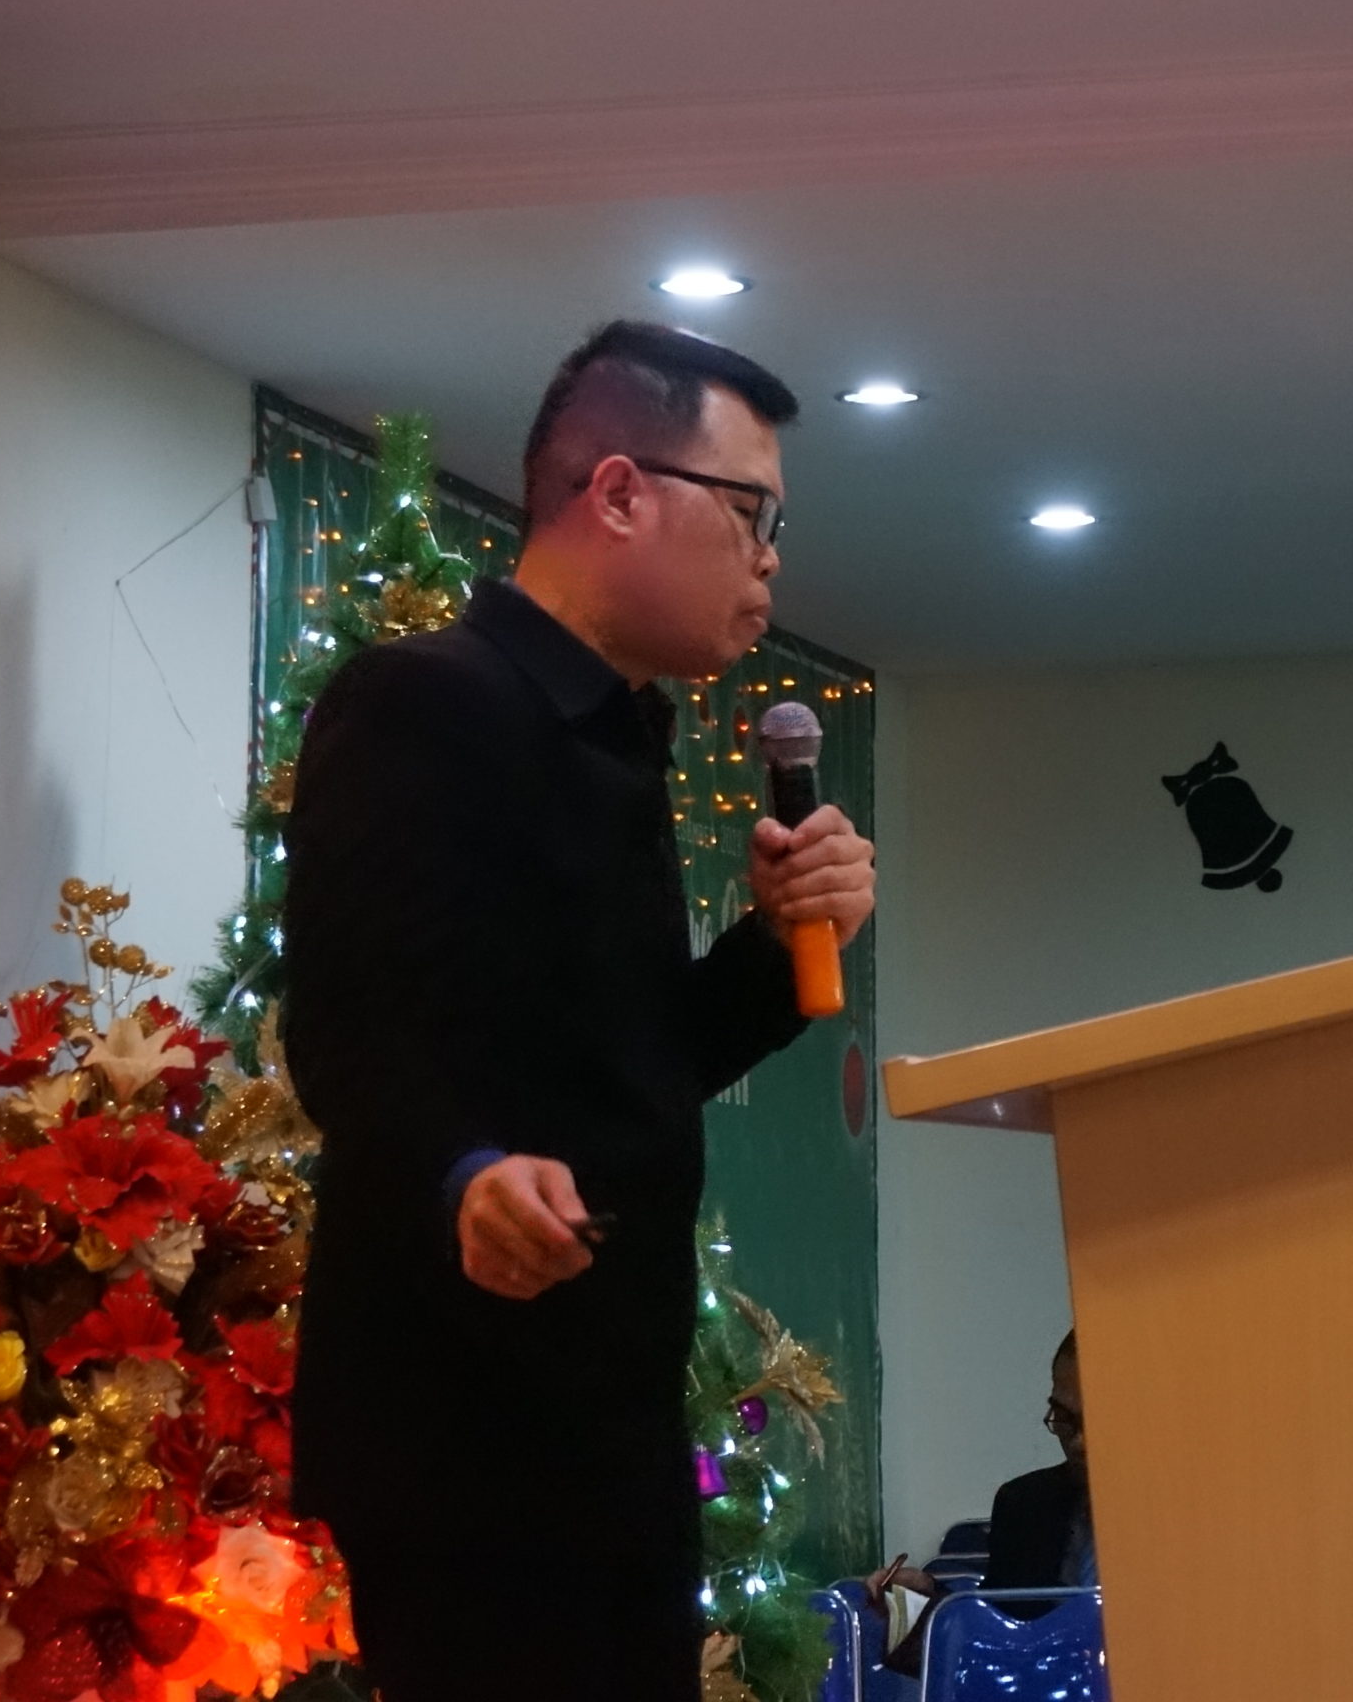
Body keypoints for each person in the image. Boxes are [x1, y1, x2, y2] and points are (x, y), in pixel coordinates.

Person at [280, 321, 879, 1702]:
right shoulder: (424, 699)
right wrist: (465, 1173)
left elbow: (634, 1067)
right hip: (468, 1420)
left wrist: (781, 942)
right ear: (618, 493)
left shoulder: (618, 734)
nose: (771, 560)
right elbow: (347, 1026)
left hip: (605, 1415)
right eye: (753, 512)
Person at [869, 1333, 1094, 1672]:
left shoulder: (1179, 1515)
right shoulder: (1026, 1503)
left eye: (1095, 1418)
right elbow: (997, 1634)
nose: (1078, 1442)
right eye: (1065, 1418)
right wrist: (928, 1603)